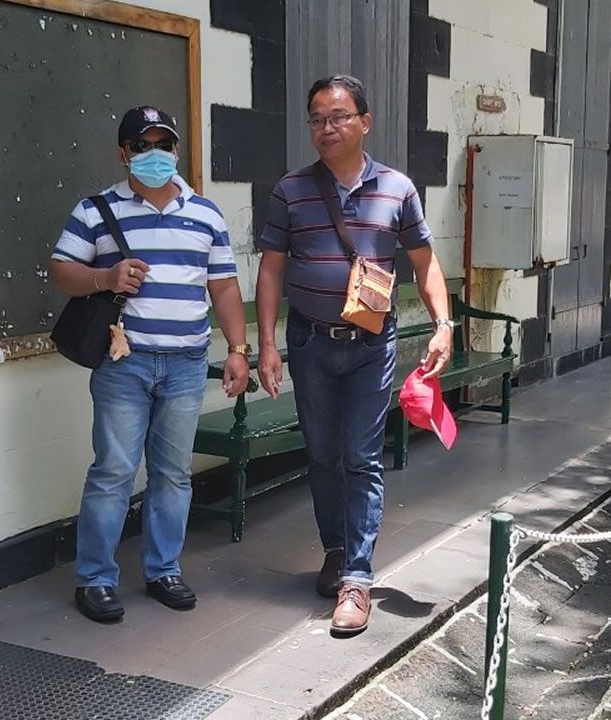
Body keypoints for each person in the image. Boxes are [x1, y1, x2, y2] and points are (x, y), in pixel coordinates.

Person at [254, 76, 454, 635]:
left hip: (371, 346)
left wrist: (444, 325)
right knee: (321, 455)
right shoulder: (290, 191)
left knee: (361, 458)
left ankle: (358, 581)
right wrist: (267, 343)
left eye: (339, 116)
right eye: (317, 118)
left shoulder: (398, 188)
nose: (327, 128)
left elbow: (425, 263)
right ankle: (337, 551)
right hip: (310, 344)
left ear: (365, 122)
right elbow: (271, 268)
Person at [49, 106, 250, 623]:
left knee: (173, 474)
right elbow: (61, 270)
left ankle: (164, 569)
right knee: (113, 471)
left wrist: (237, 348)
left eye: (164, 143)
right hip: (124, 364)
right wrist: (105, 278)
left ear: (178, 151)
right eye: (142, 145)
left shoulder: (205, 213)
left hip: (185, 365)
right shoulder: (95, 210)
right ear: (123, 154)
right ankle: (95, 579)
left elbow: (224, 287)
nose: (154, 154)